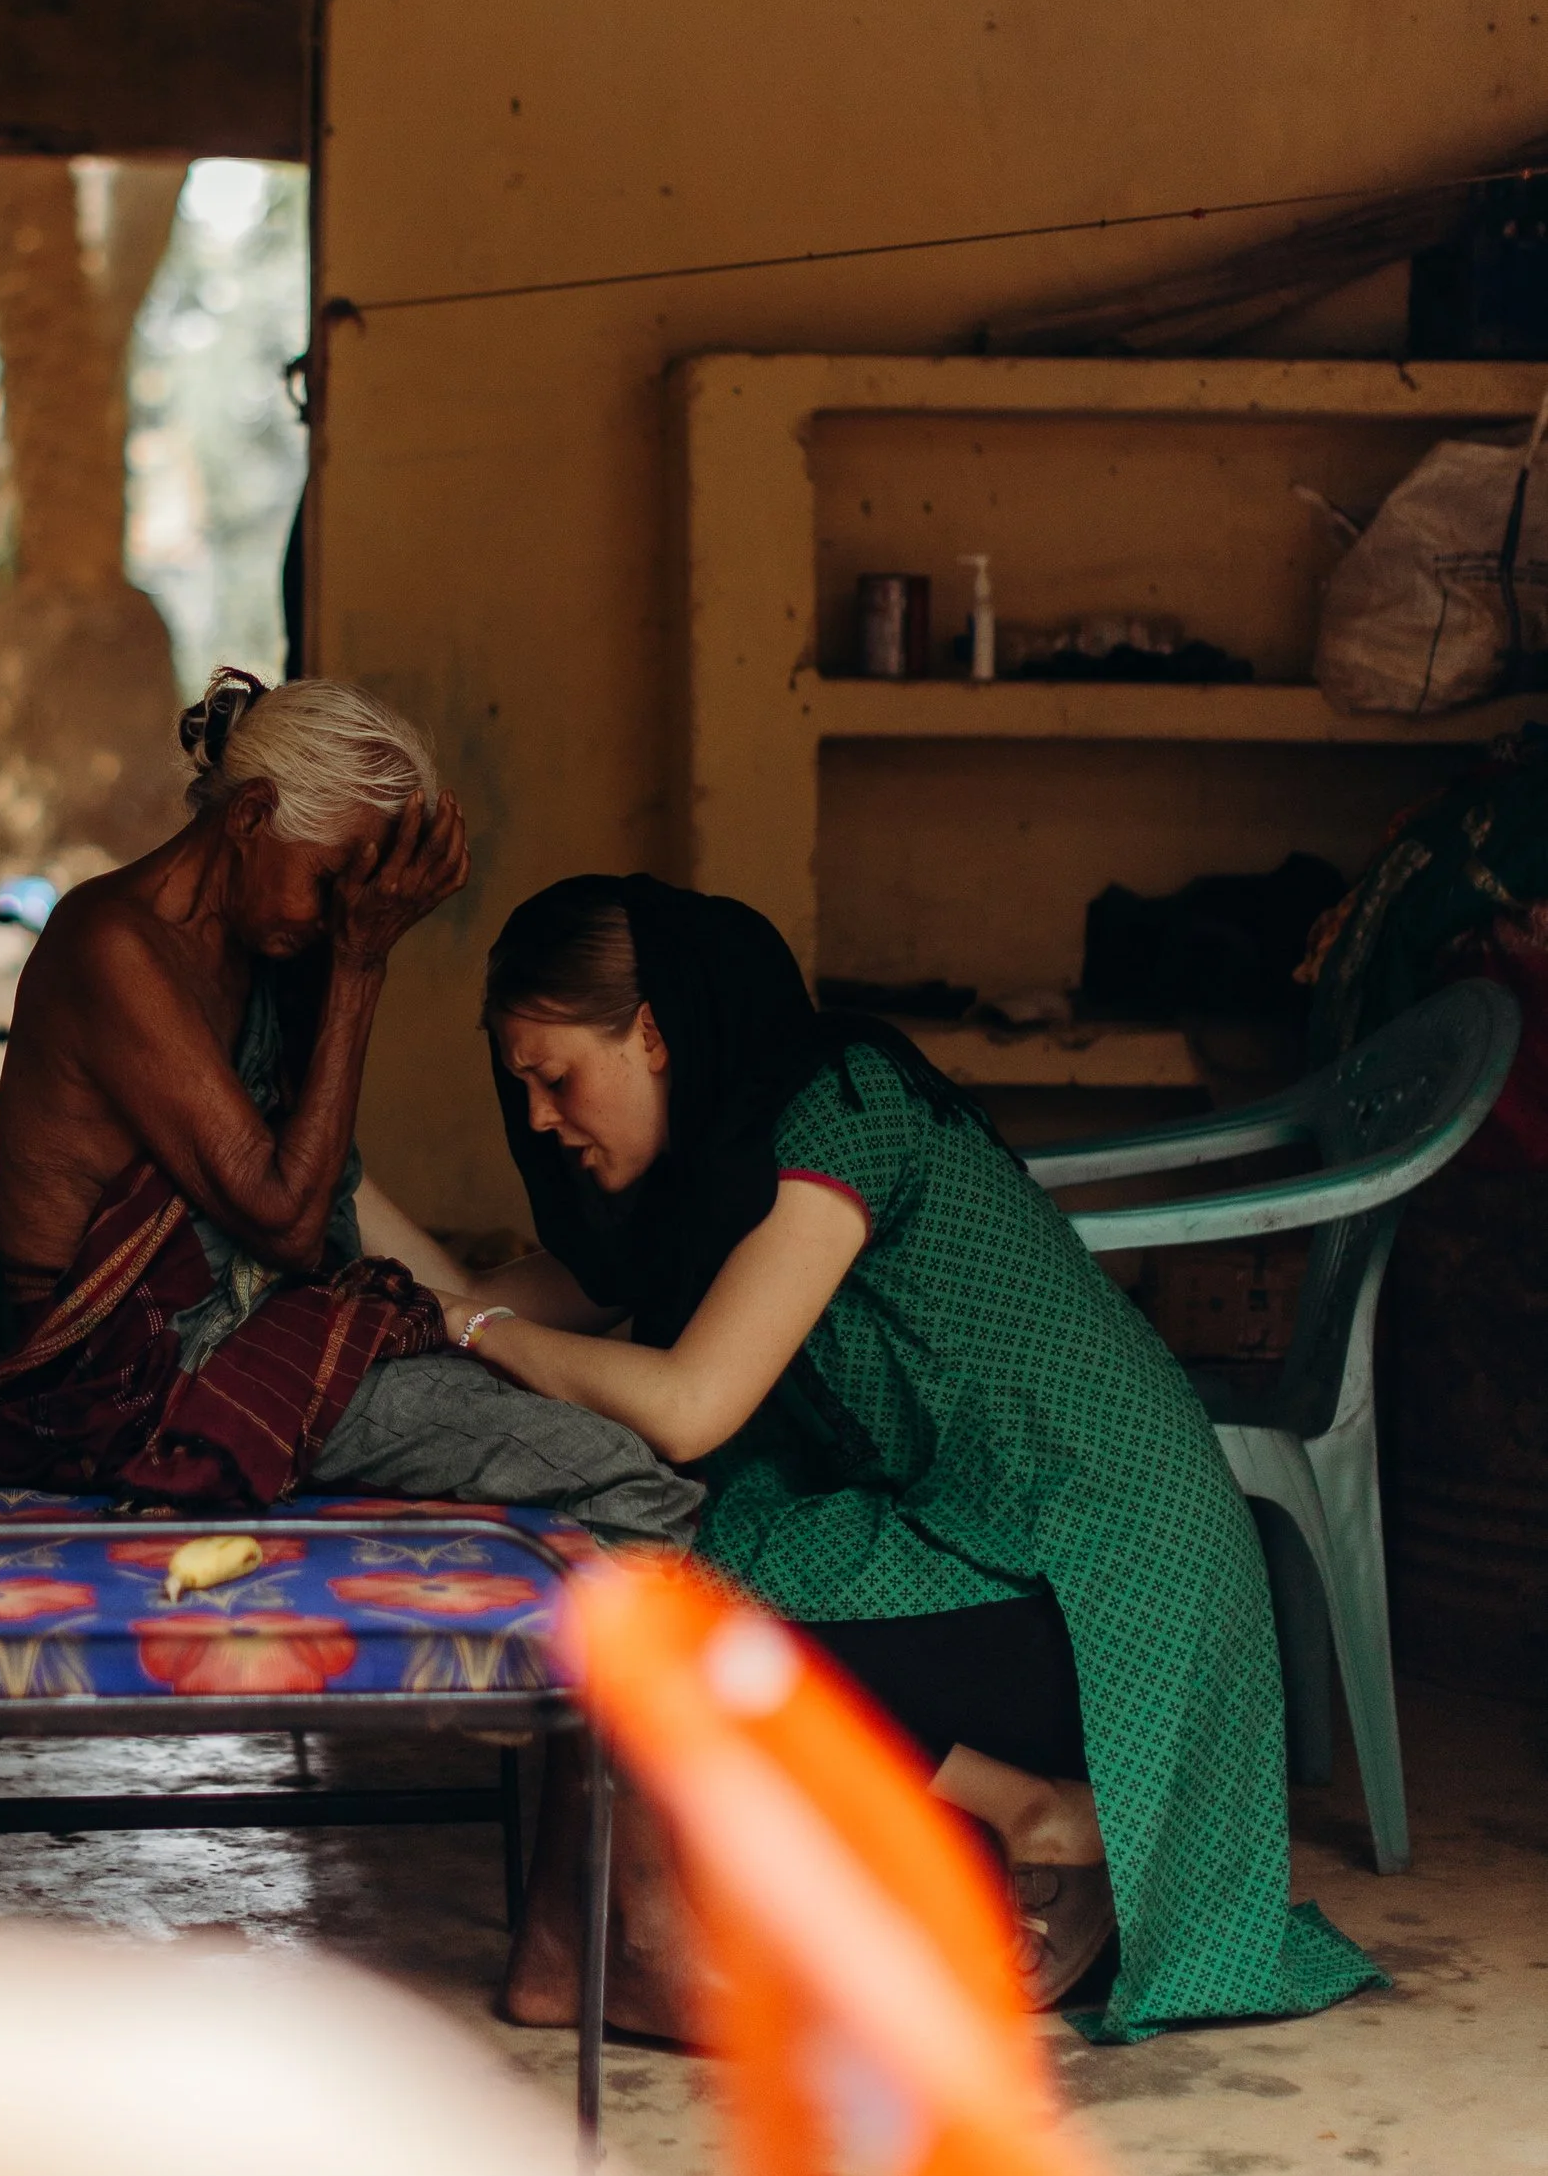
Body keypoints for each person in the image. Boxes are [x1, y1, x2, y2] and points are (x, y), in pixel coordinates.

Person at [446, 872, 1384, 2048]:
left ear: (650, 1034)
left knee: (666, 1577)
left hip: (1106, 1593)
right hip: (986, 1544)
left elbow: (685, 1403)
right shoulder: (724, 1165)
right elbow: (482, 1299)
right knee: (659, 1540)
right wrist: (424, 1300)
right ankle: (968, 1835)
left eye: (554, 1077)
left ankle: (1037, 1809)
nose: (538, 1116)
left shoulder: (839, 1112)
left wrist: (475, 1333)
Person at [0, 676, 703, 1549]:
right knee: (632, 1482)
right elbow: (289, 1226)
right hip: (124, 1375)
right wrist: (360, 962)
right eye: (335, 880)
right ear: (251, 816)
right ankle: (552, 1687)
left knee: (562, 1412)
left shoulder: (259, 947)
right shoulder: (115, 946)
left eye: (364, 900)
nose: (345, 915)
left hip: (241, 1324)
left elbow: (324, 1193)